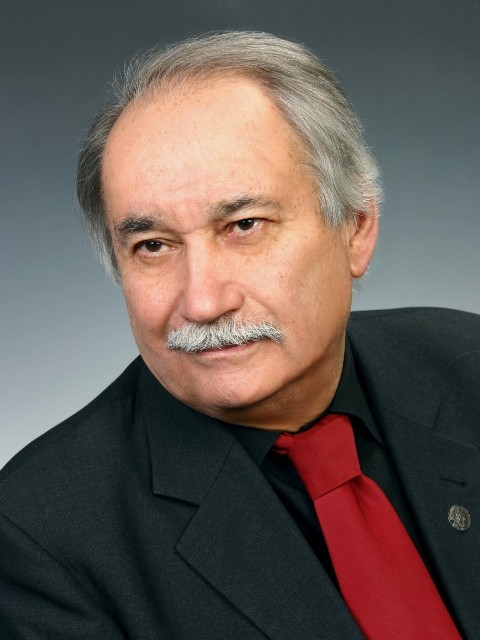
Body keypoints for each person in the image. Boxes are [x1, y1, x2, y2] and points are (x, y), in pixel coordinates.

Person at [0, 31, 478, 640]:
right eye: (153, 246)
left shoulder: (467, 364)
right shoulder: (38, 536)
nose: (202, 302)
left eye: (244, 225)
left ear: (356, 228)